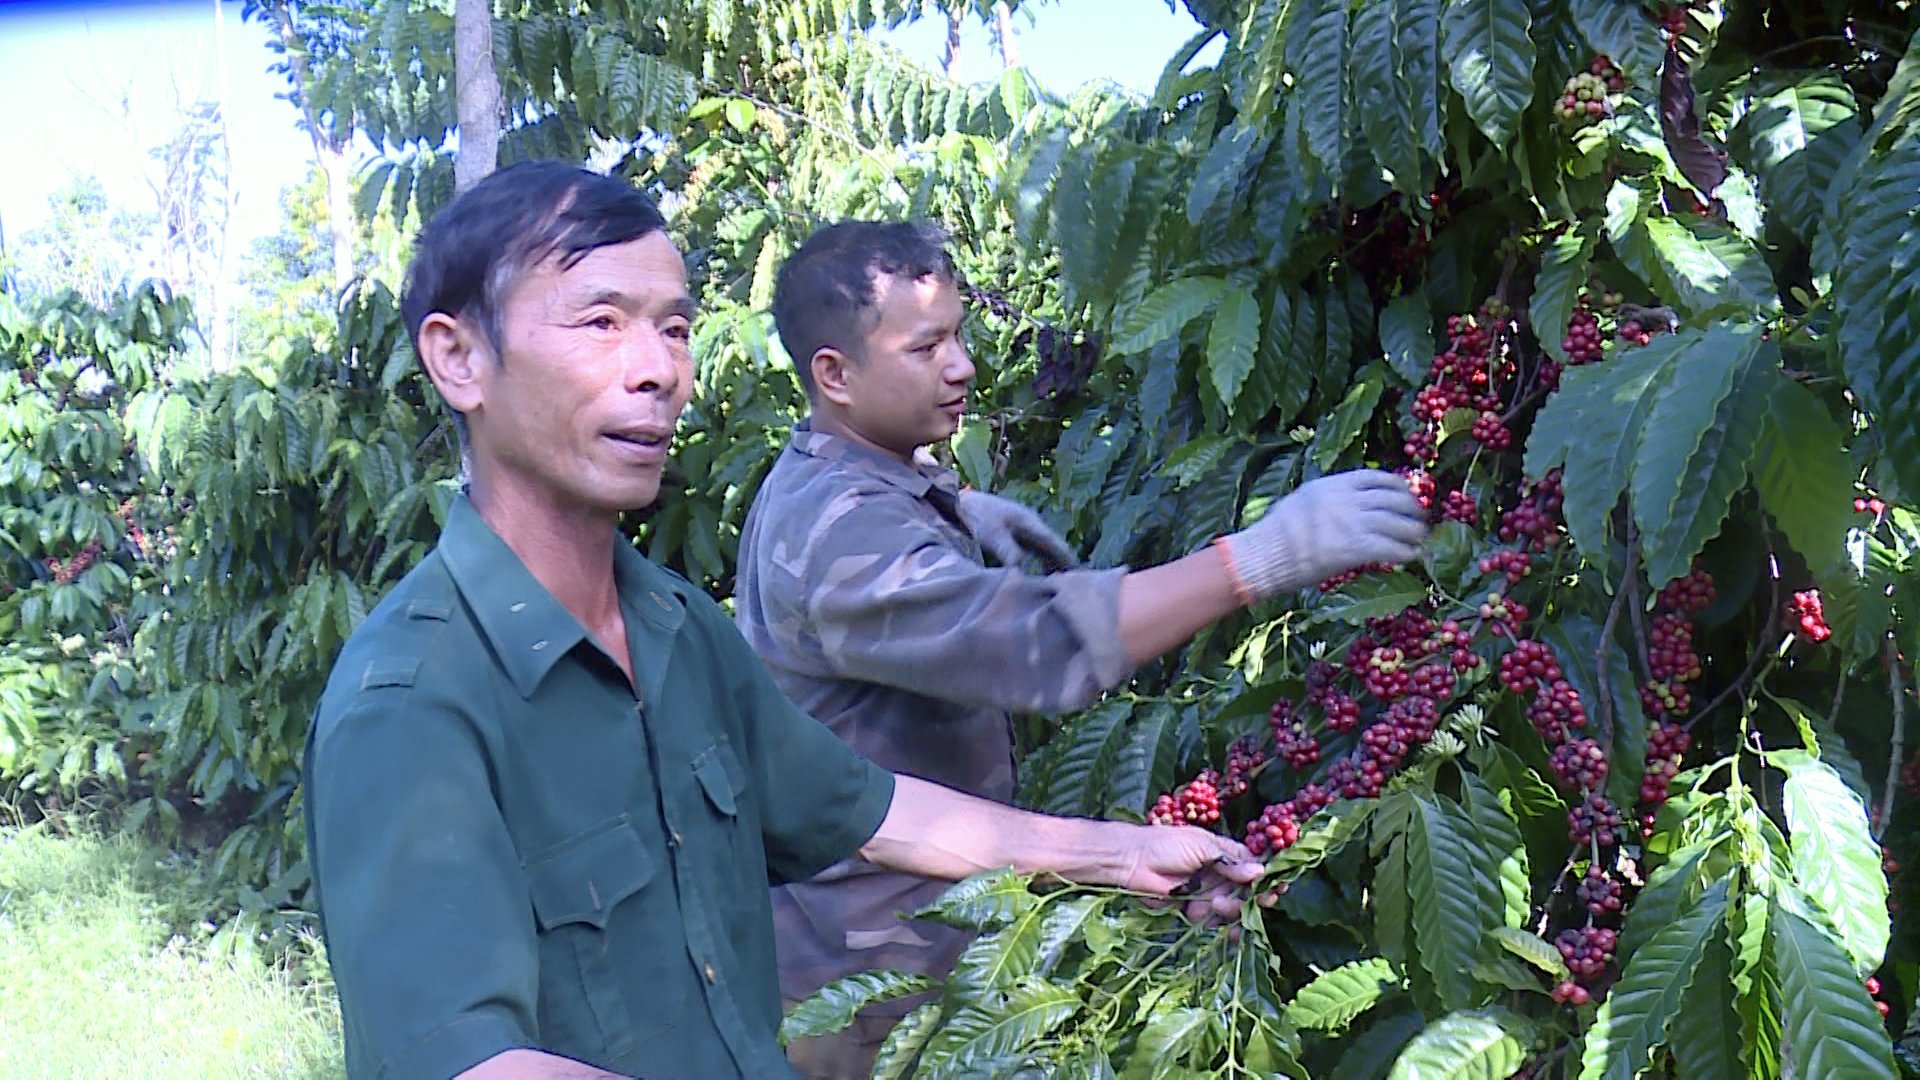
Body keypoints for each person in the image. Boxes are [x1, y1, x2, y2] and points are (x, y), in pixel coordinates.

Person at [299, 161, 1270, 1080]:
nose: (657, 372)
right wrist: (1258, 560)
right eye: (600, 322)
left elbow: (872, 808)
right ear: (459, 358)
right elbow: (472, 1063)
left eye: (675, 329)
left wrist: (1121, 854)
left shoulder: (680, 629)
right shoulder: (411, 706)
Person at [736, 220, 1428, 1078]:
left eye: (960, 333)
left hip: (944, 922)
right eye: (926, 347)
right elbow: (1039, 647)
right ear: (833, 376)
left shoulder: (860, 470)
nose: (962, 366)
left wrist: (952, 512)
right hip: (872, 978)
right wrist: (1255, 562)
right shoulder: (836, 530)